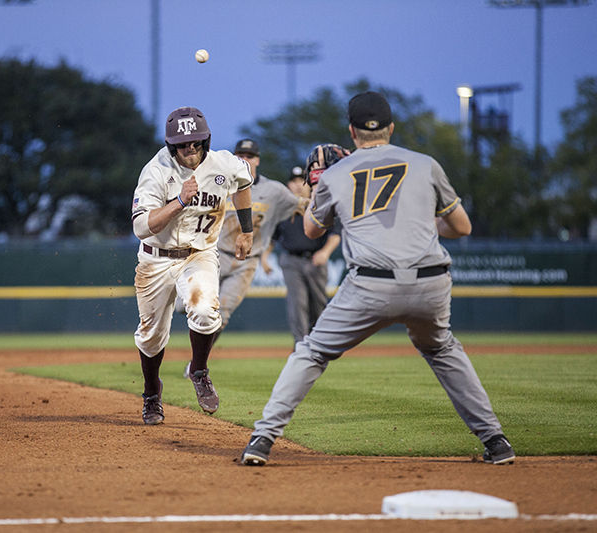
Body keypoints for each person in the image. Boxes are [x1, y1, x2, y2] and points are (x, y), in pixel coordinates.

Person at [240, 91, 515, 466]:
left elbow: (312, 229)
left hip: (371, 286)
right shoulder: (425, 164)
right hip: (432, 284)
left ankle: (261, 440)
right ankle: (496, 442)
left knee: (311, 351)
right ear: (391, 127)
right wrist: (421, 224)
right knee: (442, 349)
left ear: (352, 132)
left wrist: (320, 186)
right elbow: (461, 227)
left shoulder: (336, 174)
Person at [131, 106, 254, 425]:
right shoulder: (156, 170)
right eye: (183, 145)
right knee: (151, 337)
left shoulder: (224, 163)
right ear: (172, 146)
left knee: (204, 312)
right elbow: (142, 226)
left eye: (196, 143)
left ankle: (199, 371)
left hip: (198, 254)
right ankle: (151, 393)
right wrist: (180, 201)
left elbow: (244, 182)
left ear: (206, 141)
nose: (190, 149)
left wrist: (247, 229)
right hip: (155, 259)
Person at [179, 139, 306, 376]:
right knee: (184, 305)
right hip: (213, 255)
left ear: (257, 160)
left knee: (222, 313)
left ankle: (197, 363)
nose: (245, 159)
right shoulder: (218, 182)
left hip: (247, 262)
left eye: (250, 155)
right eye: (241, 155)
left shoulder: (275, 191)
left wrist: (320, 192)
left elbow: (303, 205)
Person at [262, 162, 341, 345]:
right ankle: (301, 345)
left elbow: (336, 234)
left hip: (316, 260)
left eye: (301, 180)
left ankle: (318, 343)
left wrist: (325, 252)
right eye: (293, 181)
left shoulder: (320, 206)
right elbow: (271, 239)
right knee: (297, 304)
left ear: (309, 184)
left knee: (318, 305)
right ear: (288, 185)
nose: (298, 184)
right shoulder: (282, 210)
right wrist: (264, 258)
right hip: (291, 261)